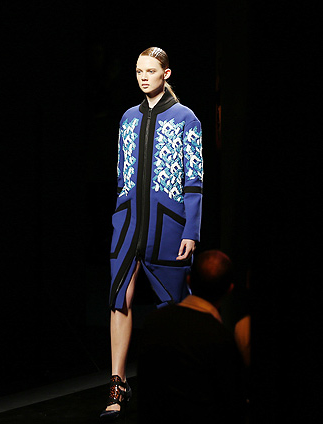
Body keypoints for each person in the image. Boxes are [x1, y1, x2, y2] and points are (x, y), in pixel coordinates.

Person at [100, 47, 203, 421]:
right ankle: (117, 383)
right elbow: (121, 173)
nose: (144, 77)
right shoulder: (128, 118)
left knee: (174, 306)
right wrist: (119, 216)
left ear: (166, 74)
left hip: (168, 222)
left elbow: (194, 178)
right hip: (128, 221)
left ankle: (182, 382)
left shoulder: (186, 118)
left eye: (151, 71)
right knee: (119, 297)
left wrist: (191, 229)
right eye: (139, 71)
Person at [136, 250, 247, 423]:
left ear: (188, 280)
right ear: (229, 290)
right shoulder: (221, 338)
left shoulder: (153, 322)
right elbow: (230, 403)